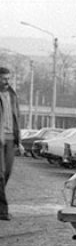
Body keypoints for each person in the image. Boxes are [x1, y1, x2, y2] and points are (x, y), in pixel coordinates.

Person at [0, 66, 22, 221]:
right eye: (3, 78)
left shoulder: (12, 95)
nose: (7, 81)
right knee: (0, 175)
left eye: (8, 78)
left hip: (10, 139)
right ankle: (2, 210)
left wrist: (18, 140)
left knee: (7, 173)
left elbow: (16, 118)